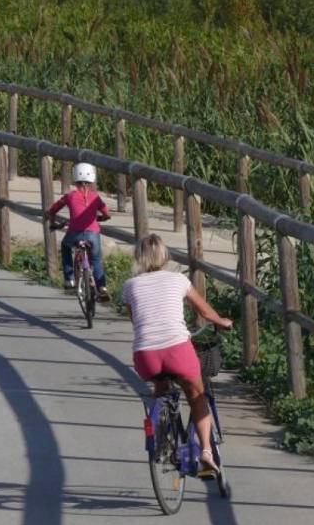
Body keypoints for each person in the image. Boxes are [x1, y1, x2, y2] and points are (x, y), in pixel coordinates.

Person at [123, 234, 232, 471]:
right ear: (165, 256)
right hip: (177, 351)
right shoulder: (178, 280)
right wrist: (222, 321)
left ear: (139, 257)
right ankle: (206, 451)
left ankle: (162, 437)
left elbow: (136, 321)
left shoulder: (129, 286)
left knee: (161, 386)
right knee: (196, 395)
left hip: (145, 357)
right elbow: (205, 312)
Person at [46, 162, 111, 302]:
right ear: (92, 179)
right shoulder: (96, 197)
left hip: (74, 233)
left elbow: (53, 210)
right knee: (96, 259)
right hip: (93, 235)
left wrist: (53, 223)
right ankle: (102, 288)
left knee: (65, 246)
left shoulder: (70, 196)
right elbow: (107, 213)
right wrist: (100, 218)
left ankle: (69, 279)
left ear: (74, 179)